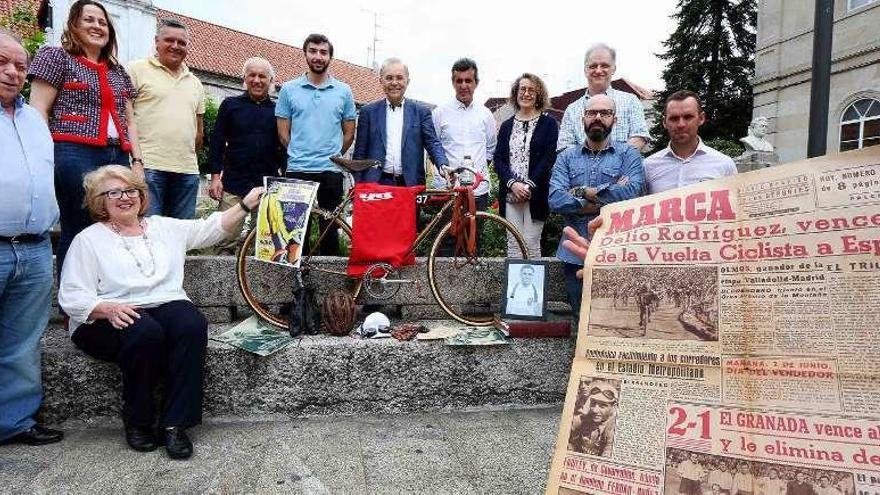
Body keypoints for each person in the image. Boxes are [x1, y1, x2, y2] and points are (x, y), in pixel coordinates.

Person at [57, 165, 262, 459]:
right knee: (145, 332)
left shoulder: (163, 228)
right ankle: (138, 421)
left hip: (163, 302)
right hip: (104, 315)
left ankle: (175, 424)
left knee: (191, 324)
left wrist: (244, 204)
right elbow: (72, 295)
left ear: (141, 195)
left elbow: (209, 229)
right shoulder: (88, 239)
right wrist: (107, 308)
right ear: (99, 201)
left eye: (130, 191)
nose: (124, 197)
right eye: (113, 193)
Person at [27, 0, 143, 277]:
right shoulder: (55, 57)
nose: (97, 26)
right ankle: (73, 304)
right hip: (73, 151)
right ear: (74, 25)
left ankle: (107, 291)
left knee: (116, 224)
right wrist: (45, 155)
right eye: (89, 20)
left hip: (117, 155)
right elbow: (38, 108)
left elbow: (129, 120)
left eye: (102, 22)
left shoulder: (118, 72)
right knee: (79, 225)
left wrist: (137, 160)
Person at [0, 31, 64, 447]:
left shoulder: (33, 119)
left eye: (21, 66)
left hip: (36, 247)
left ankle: (14, 421)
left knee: (23, 341)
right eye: (3, 62)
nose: (12, 72)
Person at [549, 94, 644, 318]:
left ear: (615, 119)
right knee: (581, 321)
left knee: (618, 323)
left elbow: (633, 193)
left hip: (619, 253)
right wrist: (609, 196)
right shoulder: (566, 158)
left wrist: (582, 192)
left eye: (605, 113)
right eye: (592, 113)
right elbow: (555, 199)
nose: (598, 118)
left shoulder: (628, 154)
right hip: (574, 255)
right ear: (583, 119)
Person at [276, 33, 356, 255]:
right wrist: (301, 151)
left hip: (331, 170)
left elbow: (349, 132)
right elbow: (283, 133)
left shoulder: (344, 91)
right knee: (295, 231)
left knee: (329, 230)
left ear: (330, 57)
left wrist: (334, 154)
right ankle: (299, 284)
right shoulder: (289, 89)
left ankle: (328, 286)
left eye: (323, 52)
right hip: (298, 169)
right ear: (305, 54)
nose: (318, 56)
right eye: (313, 51)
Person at [127, 19, 206, 219]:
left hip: (187, 172)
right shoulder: (135, 70)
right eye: (169, 40)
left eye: (182, 43)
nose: (175, 46)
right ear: (157, 41)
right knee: (148, 233)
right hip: (149, 168)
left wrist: (188, 159)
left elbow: (199, 132)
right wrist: (136, 162)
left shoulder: (195, 83)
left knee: (181, 236)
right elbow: (125, 119)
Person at [207, 57, 283, 253]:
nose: (257, 80)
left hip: (267, 186)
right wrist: (215, 177)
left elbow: (284, 148)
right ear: (245, 78)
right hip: (234, 184)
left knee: (264, 245)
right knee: (225, 240)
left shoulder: (279, 111)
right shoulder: (230, 105)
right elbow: (216, 142)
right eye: (252, 75)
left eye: (262, 76)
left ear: (271, 80)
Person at [353, 57, 448, 187]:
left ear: (407, 81)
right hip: (375, 184)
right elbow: (359, 153)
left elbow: (432, 143)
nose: (394, 82)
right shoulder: (367, 112)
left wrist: (442, 164)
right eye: (389, 78)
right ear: (381, 81)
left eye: (399, 78)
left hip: (410, 183)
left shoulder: (421, 113)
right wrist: (358, 185)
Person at [493, 73, 559, 258]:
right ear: (516, 93)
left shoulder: (549, 124)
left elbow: (548, 158)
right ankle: (514, 288)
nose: (526, 93)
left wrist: (528, 185)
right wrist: (512, 184)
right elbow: (499, 159)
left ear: (539, 94)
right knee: (513, 246)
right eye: (523, 89)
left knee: (531, 243)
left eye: (532, 90)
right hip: (510, 194)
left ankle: (532, 287)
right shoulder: (506, 126)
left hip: (535, 193)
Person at [557, 43, 649, 152]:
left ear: (614, 69)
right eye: (593, 66)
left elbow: (640, 136)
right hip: (582, 169)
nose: (598, 70)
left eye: (604, 65)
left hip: (622, 168)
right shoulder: (571, 110)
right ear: (585, 70)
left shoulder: (631, 101)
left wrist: (612, 162)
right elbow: (565, 147)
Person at [432, 58, 497, 210]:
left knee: (475, 233)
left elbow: (491, 148)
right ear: (453, 82)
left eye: (468, 80)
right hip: (448, 189)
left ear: (476, 83)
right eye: (459, 81)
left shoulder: (486, 115)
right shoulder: (439, 113)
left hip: (477, 190)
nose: (463, 86)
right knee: (448, 234)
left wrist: (474, 171)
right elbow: (433, 149)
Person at [644, 91, 737, 194]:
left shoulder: (724, 165)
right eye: (674, 118)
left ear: (701, 118)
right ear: (665, 122)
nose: (681, 124)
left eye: (688, 117)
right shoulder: (648, 167)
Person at [567, 380, 618, 457]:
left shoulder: (613, 428)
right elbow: (567, 429)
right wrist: (584, 414)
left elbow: (607, 454)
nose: (595, 410)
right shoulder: (588, 418)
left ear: (613, 407)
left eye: (602, 406)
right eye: (593, 403)